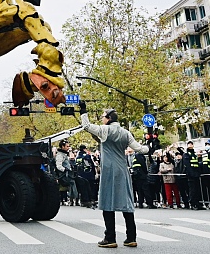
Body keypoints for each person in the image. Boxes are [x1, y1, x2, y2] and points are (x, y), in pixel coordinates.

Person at [80, 105, 149, 248]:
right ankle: (131, 237)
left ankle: (110, 237)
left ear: (109, 119)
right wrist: (150, 147)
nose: (102, 119)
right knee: (127, 203)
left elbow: (86, 126)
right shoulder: (126, 133)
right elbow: (140, 149)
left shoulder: (104, 130)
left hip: (108, 170)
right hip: (122, 170)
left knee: (107, 202)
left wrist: (83, 111)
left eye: (104, 117)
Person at [184, 141, 205, 210]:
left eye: (191, 144)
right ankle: (193, 204)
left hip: (196, 174)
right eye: (189, 144)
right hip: (191, 175)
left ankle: (198, 203)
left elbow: (197, 164)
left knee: (197, 190)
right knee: (192, 190)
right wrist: (192, 174)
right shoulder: (186, 154)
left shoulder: (194, 154)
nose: (190, 145)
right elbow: (188, 166)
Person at [55, 140, 75, 205]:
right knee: (72, 183)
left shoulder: (64, 154)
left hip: (68, 174)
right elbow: (58, 166)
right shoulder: (60, 155)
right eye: (67, 146)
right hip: (64, 175)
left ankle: (72, 199)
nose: (68, 147)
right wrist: (65, 170)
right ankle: (72, 198)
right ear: (62, 147)